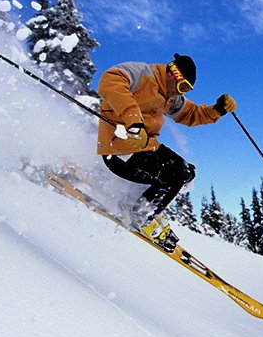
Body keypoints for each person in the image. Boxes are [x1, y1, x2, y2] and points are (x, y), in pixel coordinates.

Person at [96, 53, 236, 251]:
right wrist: (133, 121)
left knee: (186, 172)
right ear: (173, 73)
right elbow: (111, 80)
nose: (182, 93)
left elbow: (191, 114)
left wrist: (218, 110)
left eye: (187, 89)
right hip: (119, 147)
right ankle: (139, 216)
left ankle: (137, 204)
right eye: (182, 87)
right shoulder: (142, 74)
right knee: (174, 175)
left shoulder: (169, 97)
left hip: (145, 147)